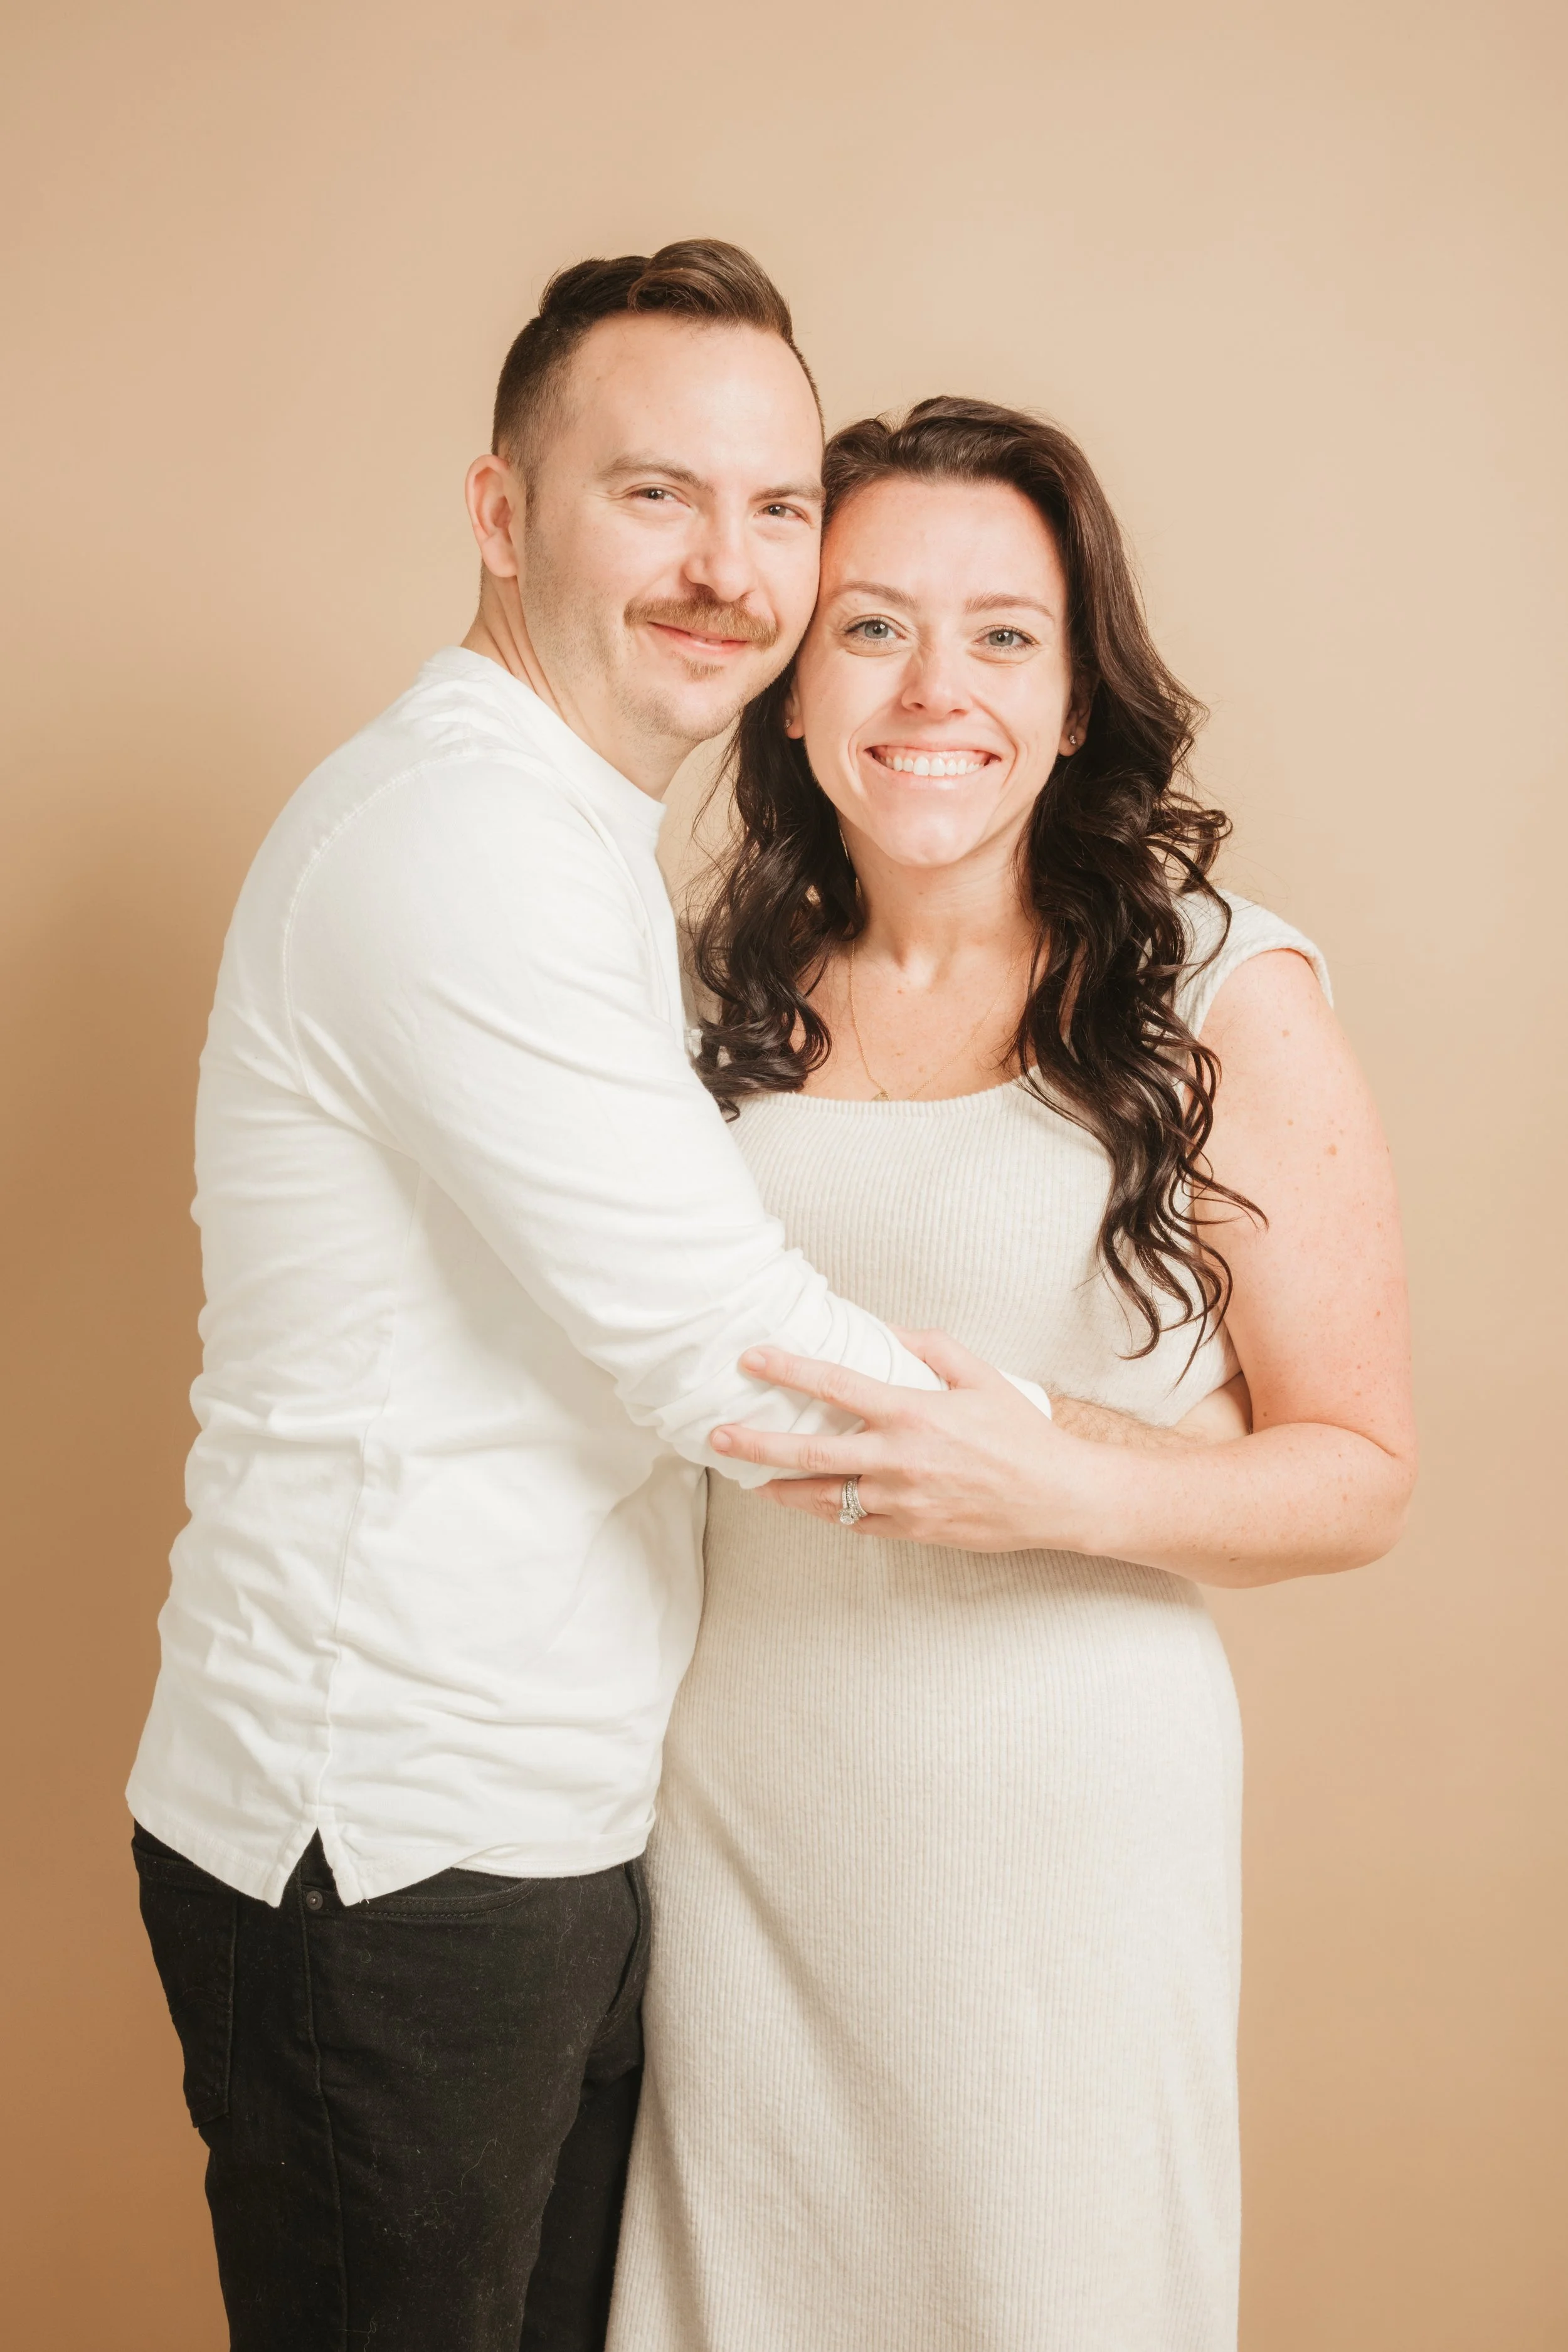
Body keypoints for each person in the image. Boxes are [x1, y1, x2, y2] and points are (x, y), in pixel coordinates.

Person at [126, 245, 1043, 2352]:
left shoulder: (565, 827)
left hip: (528, 1821)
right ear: (497, 513)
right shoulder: (463, 839)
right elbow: (713, 1340)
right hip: (388, 1842)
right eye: (654, 496)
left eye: (779, 505)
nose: (732, 567)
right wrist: (1143, 1475)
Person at [606, 398, 1417, 2352]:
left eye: (1001, 634)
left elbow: (1360, 1468)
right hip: (742, 1820)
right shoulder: (703, 994)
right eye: (871, 626)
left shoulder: (1219, 987)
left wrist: (1068, 1478)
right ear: (792, 685)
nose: (929, 687)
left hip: (1060, 1834)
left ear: (1071, 701)